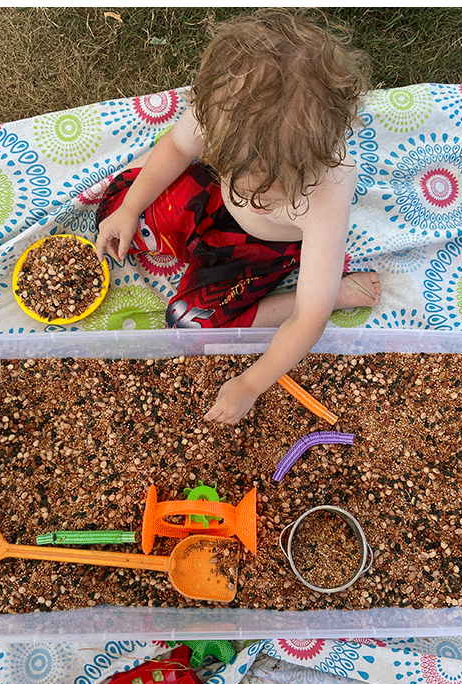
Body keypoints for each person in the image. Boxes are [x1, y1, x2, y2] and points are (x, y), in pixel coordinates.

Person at [94, 9, 380, 425]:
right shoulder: (225, 109)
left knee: (191, 324)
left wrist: (250, 383)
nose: (248, 188)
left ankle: (342, 292)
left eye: (265, 189)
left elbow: (308, 320)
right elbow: (176, 149)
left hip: (260, 246)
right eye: (237, 170)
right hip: (212, 198)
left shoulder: (326, 194)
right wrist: (130, 210)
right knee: (114, 204)